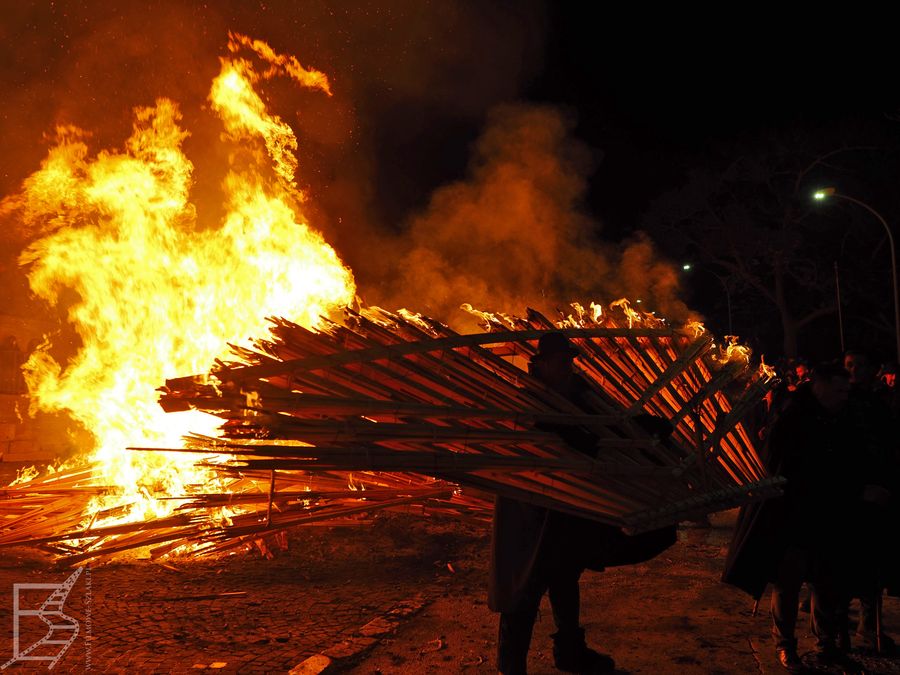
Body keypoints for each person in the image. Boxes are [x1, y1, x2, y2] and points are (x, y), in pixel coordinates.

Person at [488, 332, 675, 674]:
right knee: (524, 585)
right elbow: (531, 441)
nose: (567, 366)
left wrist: (644, 428)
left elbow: (612, 423)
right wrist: (565, 438)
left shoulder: (580, 391)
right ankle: (510, 666)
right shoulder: (530, 398)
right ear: (540, 364)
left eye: (569, 360)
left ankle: (571, 652)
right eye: (560, 361)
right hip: (529, 507)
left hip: (570, 505)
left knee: (564, 575)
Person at [722, 362, 860, 672]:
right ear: (820, 386)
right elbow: (776, 463)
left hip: (829, 514)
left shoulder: (842, 418)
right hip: (793, 515)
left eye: (846, 391)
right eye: (839, 390)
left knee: (826, 581)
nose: (843, 396)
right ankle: (785, 645)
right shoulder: (793, 417)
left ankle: (826, 644)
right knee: (789, 582)